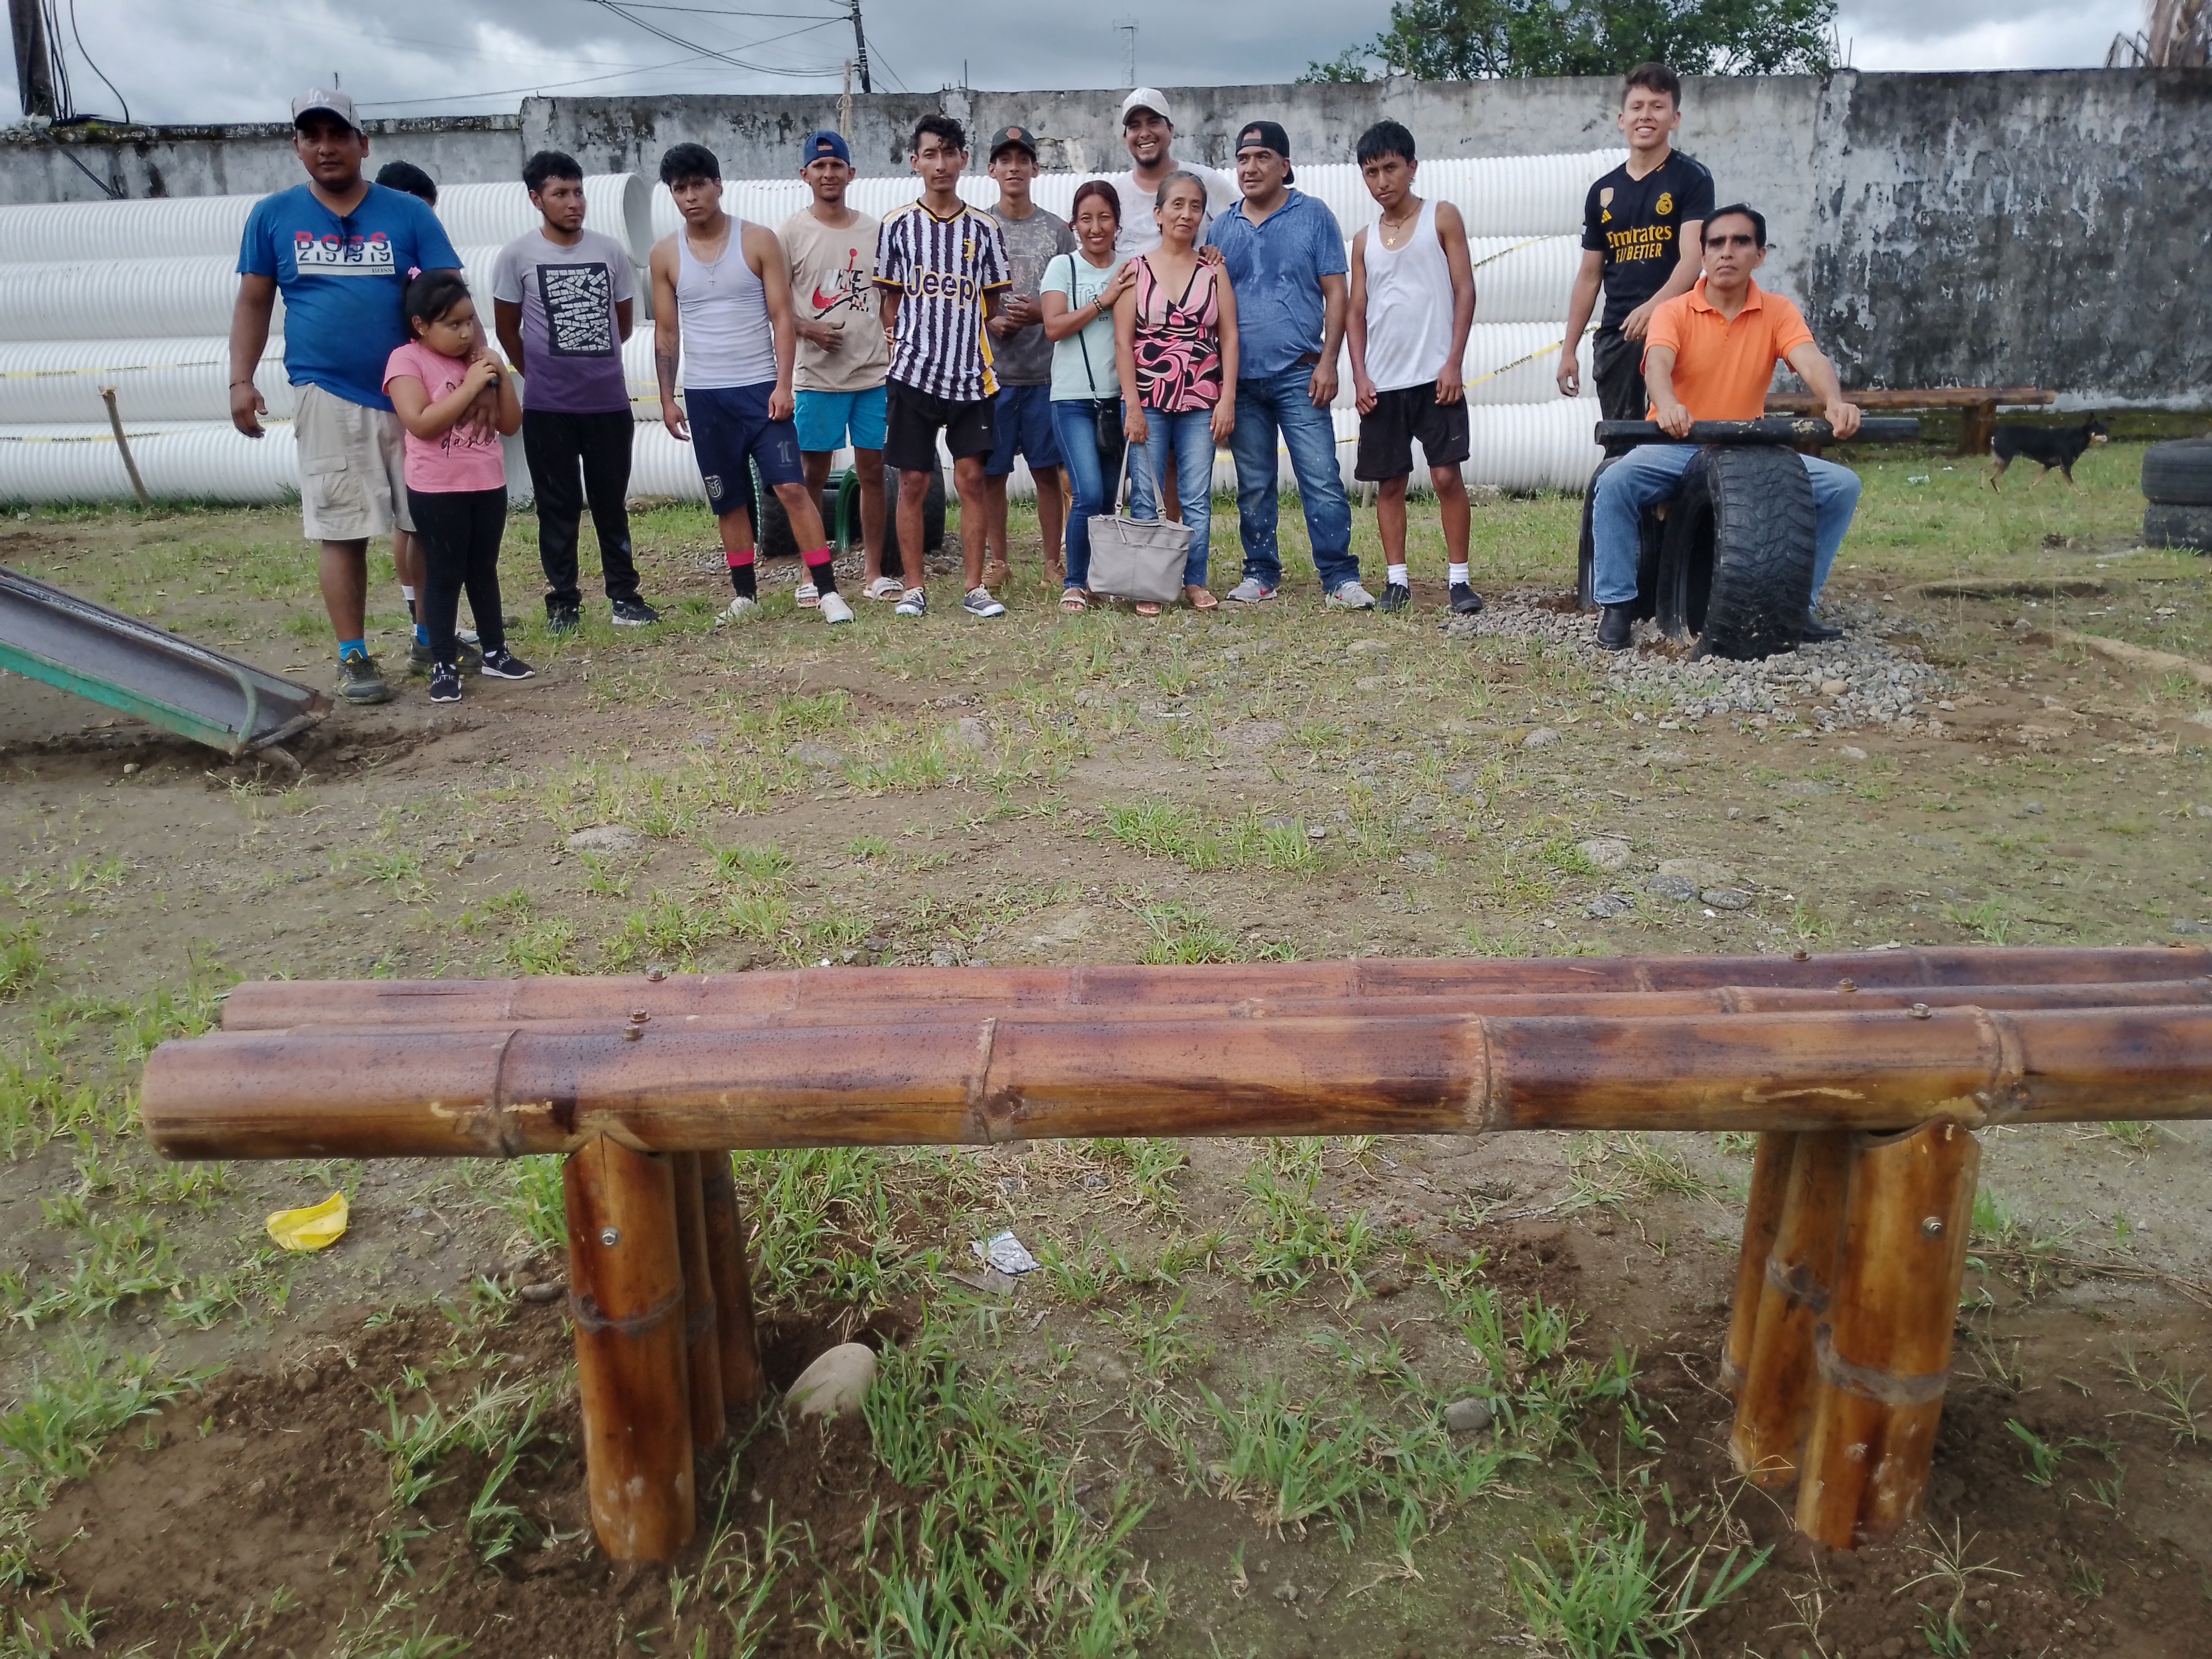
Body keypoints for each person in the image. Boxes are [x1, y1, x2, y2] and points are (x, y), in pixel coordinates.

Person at [230, 88, 481, 706]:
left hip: (415, 393)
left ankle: (430, 637)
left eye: (338, 135)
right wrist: (241, 380)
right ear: (297, 147)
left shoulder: (408, 214)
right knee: (341, 528)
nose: (326, 147)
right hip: (327, 392)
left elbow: (452, 295)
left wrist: (481, 371)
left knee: (426, 523)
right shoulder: (273, 216)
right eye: (311, 136)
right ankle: (353, 656)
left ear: (362, 144)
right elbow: (254, 302)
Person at [1588, 205, 1863, 651]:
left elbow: (1811, 360)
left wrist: (1834, 401)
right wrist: (1669, 405)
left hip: (1746, 449)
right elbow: (1657, 365)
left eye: (1740, 242)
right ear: (1703, 254)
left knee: (1841, 487)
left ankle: (1797, 605)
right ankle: (1617, 605)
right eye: (1716, 243)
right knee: (1617, 483)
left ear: (1760, 254)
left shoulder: (1778, 311)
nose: (1727, 252)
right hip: (1677, 444)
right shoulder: (1673, 311)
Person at [650, 143, 852, 627]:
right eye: (680, 189)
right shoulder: (665, 254)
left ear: (718, 185)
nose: (691, 197)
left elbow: (783, 317)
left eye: (699, 185)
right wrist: (667, 398)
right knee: (728, 498)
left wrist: (784, 385)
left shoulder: (758, 240)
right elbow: (667, 332)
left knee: (792, 488)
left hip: (760, 389)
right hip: (706, 396)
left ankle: (827, 590)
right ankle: (745, 595)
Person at [1205, 121, 1373, 610]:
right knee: (1254, 484)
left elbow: (1336, 293)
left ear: (1285, 166)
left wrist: (1329, 362)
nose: (1250, 168)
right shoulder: (1222, 228)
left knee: (1320, 477)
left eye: (1262, 158)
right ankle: (1260, 573)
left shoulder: (1313, 216)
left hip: (1301, 372)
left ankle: (1339, 577)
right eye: (1242, 159)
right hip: (1243, 380)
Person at [491, 149, 660, 635]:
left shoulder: (610, 252)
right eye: (560, 194)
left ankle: (625, 598)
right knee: (557, 508)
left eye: (578, 192)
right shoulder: (516, 257)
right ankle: (563, 603)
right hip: (548, 408)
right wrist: (540, 374)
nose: (573, 203)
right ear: (536, 199)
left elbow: (622, 325)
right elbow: (507, 329)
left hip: (607, 403)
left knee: (611, 505)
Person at [874, 114, 1011, 621]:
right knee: (913, 480)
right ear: (915, 162)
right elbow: (890, 301)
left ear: (964, 160)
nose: (940, 164)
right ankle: (914, 588)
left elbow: (991, 304)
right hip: (913, 373)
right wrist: (910, 339)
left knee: (972, 478)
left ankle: (974, 587)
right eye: (930, 154)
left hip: (971, 375)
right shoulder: (896, 226)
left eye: (949, 153)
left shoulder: (985, 229)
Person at [1346, 120, 1482, 618]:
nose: (1382, 181)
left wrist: (1454, 362)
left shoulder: (1441, 217)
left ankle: (1459, 580)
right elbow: (1355, 312)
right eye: (1371, 172)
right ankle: (1397, 581)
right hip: (1384, 381)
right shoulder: (1363, 241)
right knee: (1390, 482)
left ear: (1412, 167)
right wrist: (1360, 376)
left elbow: (1465, 290)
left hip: (1435, 376)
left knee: (1446, 476)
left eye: (1390, 168)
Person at [382, 272, 530, 704]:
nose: (466, 333)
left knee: (483, 569)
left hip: (487, 483)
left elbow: (511, 424)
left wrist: (500, 376)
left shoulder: (479, 361)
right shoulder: (406, 361)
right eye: (453, 325)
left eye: (469, 322)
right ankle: (442, 662)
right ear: (421, 326)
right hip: (436, 489)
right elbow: (421, 422)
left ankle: (495, 651)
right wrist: (470, 387)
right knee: (443, 575)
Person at [778, 130, 898, 601]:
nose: (829, 174)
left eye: (837, 166)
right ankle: (813, 574)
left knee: (873, 471)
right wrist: (809, 329)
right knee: (812, 474)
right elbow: (775, 306)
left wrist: (894, 340)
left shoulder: (875, 232)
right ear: (804, 175)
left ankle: (873, 572)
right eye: (819, 167)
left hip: (872, 374)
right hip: (818, 379)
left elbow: (889, 298)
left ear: (852, 173)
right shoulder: (790, 234)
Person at [1559, 62, 1714, 424]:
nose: (1646, 116)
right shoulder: (1602, 191)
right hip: (1619, 333)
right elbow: (1589, 276)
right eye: (1637, 107)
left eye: (1658, 107)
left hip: (1677, 328)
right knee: (1622, 441)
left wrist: (1655, 308)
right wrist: (1569, 349)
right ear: (1622, 119)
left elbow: (1693, 258)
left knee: (1675, 434)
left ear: (1675, 119)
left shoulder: (1692, 178)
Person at [1116, 172, 1237, 616]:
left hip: (1201, 400)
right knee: (1146, 496)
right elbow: (1123, 342)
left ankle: (1194, 580)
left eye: (1195, 206)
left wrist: (1227, 398)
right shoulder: (1136, 270)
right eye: (1177, 205)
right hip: (1149, 399)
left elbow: (1230, 337)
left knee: (1196, 496)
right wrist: (1132, 405)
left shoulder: (1214, 270)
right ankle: (1150, 583)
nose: (1186, 214)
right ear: (1158, 214)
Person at [981, 125, 1075, 592]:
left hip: (1044, 373)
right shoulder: (977, 227)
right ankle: (998, 561)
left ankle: (1053, 562)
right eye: (1005, 160)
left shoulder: (1058, 231)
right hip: (993, 375)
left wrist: (1042, 313)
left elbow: (1074, 292)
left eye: (1023, 159)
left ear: (1036, 168)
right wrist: (990, 319)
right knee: (992, 473)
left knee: (1046, 472)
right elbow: (962, 295)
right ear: (992, 169)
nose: (1014, 168)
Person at [1039, 180, 1135, 612]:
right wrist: (1104, 300)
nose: (1096, 228)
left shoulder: (1132, 267)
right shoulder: (1063, 267)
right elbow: (1054, 327)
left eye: (1104, 218)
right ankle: (1075, 582)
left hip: (1118, 400)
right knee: (1089, 492)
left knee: (1112, 497)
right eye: (1086, 219)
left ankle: (1104, 579)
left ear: (1117, 222)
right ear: (1074, 225)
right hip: (1072, 399)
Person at [373, 160, 443, 663]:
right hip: (396, 389)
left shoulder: (422, 262)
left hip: (425, 386)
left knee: (417, 515)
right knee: (410, 513)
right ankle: (421, 617)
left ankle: (431, 619)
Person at [1111, 89, 1236, 262]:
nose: (1144, 133)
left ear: (1170, 130)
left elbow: (1244, 227)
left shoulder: (1204, 180)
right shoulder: (1114, 194)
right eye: (1135, 126)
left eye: (1153, 123)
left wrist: (1217, 250)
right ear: (1125, 137)